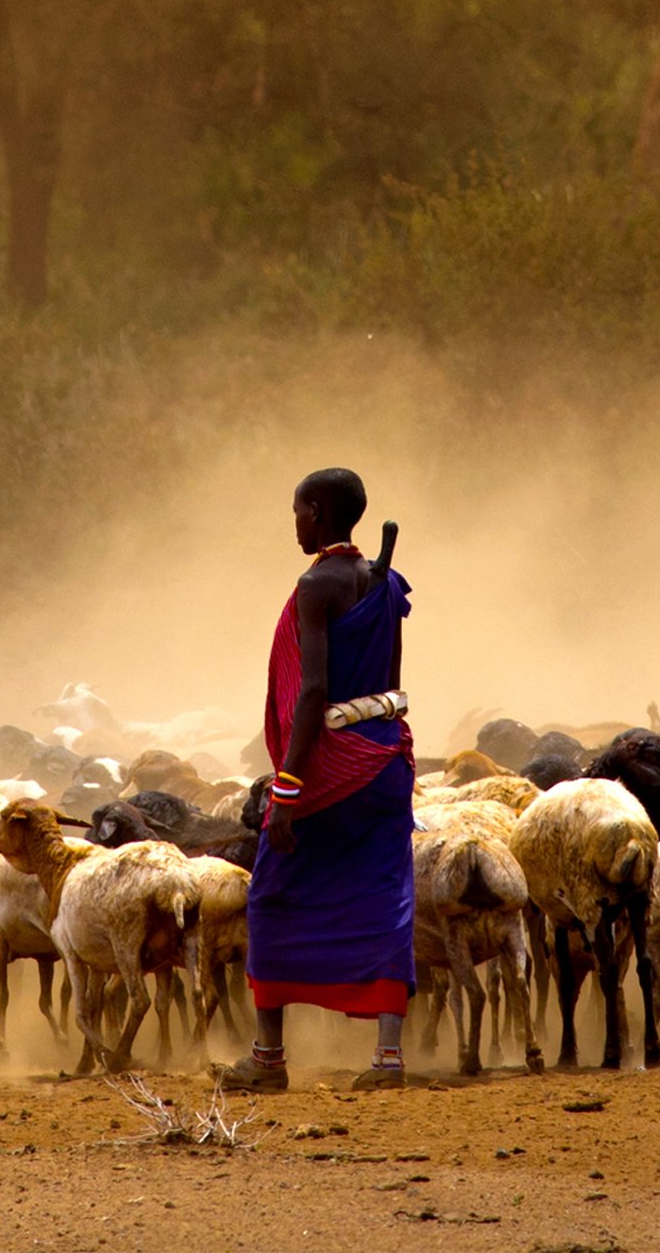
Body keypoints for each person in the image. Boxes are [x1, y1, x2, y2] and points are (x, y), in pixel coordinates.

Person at [214, 467, 415, 1092]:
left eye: (299, 511)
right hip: (385, 753)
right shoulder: (383, 584)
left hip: (330, 764)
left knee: (272, 896)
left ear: (319, 511)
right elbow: (388, 678)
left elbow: (314, 690)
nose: (295, 522)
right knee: (385, 895)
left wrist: (289, 788)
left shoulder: (316, 584)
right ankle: (387, 1059)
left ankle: (268, 1057)